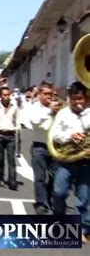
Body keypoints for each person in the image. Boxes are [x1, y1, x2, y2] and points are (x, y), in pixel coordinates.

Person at [49, 81, 90, 243]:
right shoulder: (63, 113)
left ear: (85, 98)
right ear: (69, 98)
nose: (77, 102)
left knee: (83, 198)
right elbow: (55, 134)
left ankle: (84, 229)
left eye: (80, 99)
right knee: (59, 192)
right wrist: (70, 136)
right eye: (74, 99)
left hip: (86, 162)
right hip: (67, 160)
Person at [28, 81, 59, 215]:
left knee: (55, 177)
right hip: (39, 146)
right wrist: (50, 111)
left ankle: (50, 199)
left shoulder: (58, 107)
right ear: (39, 94)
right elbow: (35, 121)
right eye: (45, 94)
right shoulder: (34, 107)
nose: (48, 97)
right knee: (40, 177)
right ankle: (41, 203)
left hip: (56, 147)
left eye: (50, 94)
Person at [0, 86, 20, 191]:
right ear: (0, 96)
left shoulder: (14, 106)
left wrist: (17, 135)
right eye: (5, 95)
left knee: (11, 159)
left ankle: (12, 180)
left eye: (8, 95)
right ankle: (0, 178)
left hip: (11, 135)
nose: (7, 97)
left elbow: (17, 121)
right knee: (0, 159)